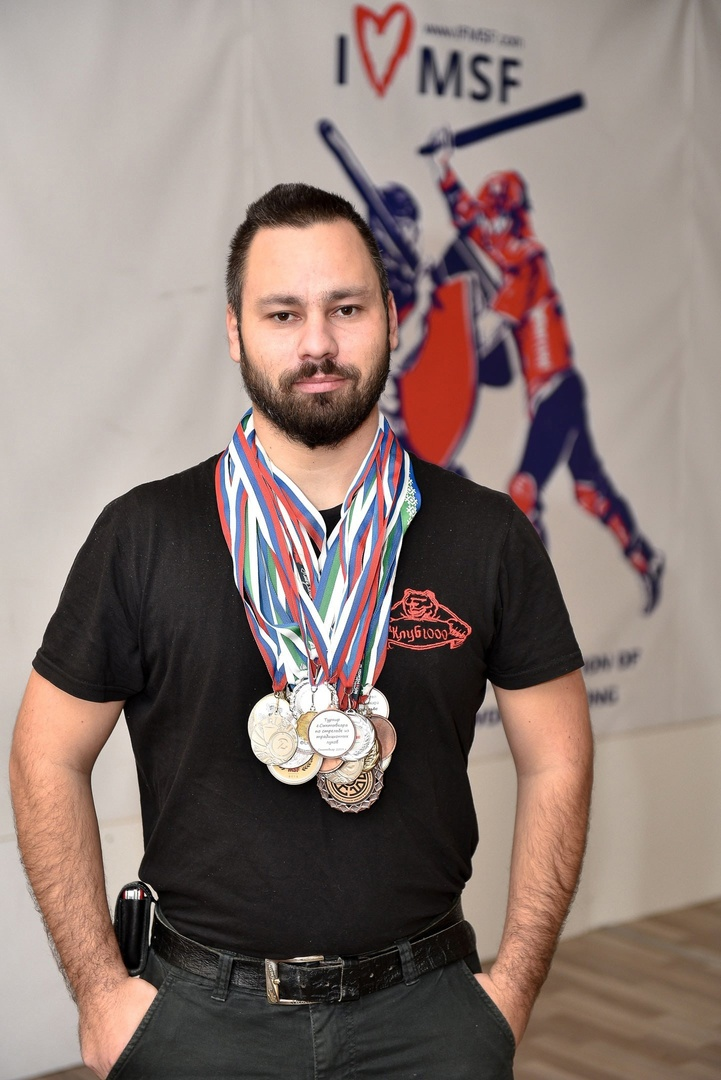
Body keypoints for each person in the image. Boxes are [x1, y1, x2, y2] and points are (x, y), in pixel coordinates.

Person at [10, 183, 593, 1080]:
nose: (316, 343)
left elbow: (557, 759)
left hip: (428, 1020)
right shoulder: (144, 534)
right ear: (235, 331)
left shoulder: (486, 535)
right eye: (282, 314)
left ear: (390, 317)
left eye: (345, 309)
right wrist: (99, 994)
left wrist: (508, 991)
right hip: (198, 1022)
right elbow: (43, 755)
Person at [429, 129, 665, 614]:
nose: (490, 224)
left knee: (523, 491)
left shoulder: (528, 261)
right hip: (554, 393)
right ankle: (647, 557)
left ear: (514, 216)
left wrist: (442, 329)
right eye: (490, 214)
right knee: (588, 489)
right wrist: (443, 168)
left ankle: (529, 612)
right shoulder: (505, 246)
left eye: (498, 215)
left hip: (558, 391)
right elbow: (470, 219)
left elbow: (489, 331)